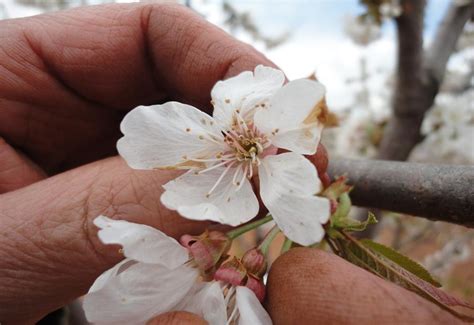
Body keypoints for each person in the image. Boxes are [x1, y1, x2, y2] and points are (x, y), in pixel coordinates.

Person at [0, 3, 461, 324]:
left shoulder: (268, 142)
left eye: (248, 141)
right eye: (242, 142)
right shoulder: (221, 164)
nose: (243, 145)